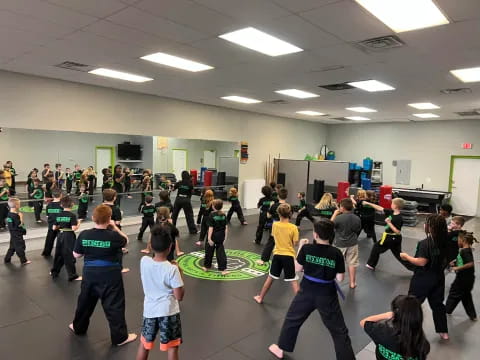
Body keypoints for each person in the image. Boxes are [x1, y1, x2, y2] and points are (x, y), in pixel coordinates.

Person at [268, 220, 355, 360]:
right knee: (339, 330)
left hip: (306, 291)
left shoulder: (307, 249)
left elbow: (297, 269)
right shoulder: (336, 253)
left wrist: (301, 246)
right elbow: (339, 278)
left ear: (315, 234)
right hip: (327, 294)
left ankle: (280, 348)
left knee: (292, 320)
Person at [70, 204, 137, 346]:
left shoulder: (84, 234)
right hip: (110, 275)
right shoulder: (113, 236)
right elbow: (126, 240)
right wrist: (114, 226)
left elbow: (76, 255)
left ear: (93, 218)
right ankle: (120, 338)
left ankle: (78, 327)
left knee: (85, 301)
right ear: (109, 219)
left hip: (90, 274)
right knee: (114, 305)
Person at [136, 225, 184, 360]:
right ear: (170, 247)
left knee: (144, 344)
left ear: (150, 246)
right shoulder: (172, 269)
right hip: (168, 313)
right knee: (173, 347)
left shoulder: (144, 261)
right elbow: (179, 296)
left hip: (150, 311)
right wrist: (179, 273)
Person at [400, 214, 449, 340]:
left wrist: (406, 257)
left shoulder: (425, 243)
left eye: (427, 223)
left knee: (413, 304)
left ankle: (407, 330)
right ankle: (443, 331)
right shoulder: (446, 240)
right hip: (438, 277)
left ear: (430, 228)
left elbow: (421, 262)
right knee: (438, 304)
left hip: (422, 278)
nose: (424, 224)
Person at [360, 295, 430, 360]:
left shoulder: (382, 332)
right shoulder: (422, 344)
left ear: (395, 314)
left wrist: (386, 315)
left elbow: (363, 322)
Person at [254, 203, 299, 304]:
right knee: (293, 280)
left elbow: (274, 237)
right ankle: (301, 303)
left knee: (270, 278)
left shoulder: (275, 225)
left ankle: (260, 297)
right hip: (289, 256)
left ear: (278, 214)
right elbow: (295, 243)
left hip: (277, 255)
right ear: (290, 214)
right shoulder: (294, 228)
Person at [364, 198, 411, 271]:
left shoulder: (399, 218)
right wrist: (368, 203)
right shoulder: (391, 212)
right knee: (399, 255)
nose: (391, 204)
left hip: (391, 237)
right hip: (394, 238)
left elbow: (397, 231)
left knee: (376, 247)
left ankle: (371, 264)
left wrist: (389, 223)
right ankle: (414, 268)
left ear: (395, 206)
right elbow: (380, 208)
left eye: (392, 203)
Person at [446, 231, 478, 321]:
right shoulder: (464, 251)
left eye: (458, 240)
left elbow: (470, 263)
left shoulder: (466, 251)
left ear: (463, 240)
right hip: (468, 279)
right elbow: (463, 260)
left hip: (463, 279)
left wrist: (458, 268)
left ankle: (447, 309)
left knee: (454, 292)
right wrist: (454, 262)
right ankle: (473, 315)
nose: (457, 242)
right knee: (466, 296)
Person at [331, 198, 361, 289]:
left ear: (342, 208)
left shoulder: (338, 218)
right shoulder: (357, 218)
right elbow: (357, 230)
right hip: (352, 243)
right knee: (352, 263)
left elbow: (328, 226)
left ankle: (331, 281)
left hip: (339, 244)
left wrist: (335, 214)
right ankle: (352, 283)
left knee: (334, 263)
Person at [50, 196, 81, 281]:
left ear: (61, 205)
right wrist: (79, 223)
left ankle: (54, 271)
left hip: (60, 235)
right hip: (68, 236)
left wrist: (61, 226)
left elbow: (53, 228)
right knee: (69, 255)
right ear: (72, 205)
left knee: (59, 254)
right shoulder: (72, 215)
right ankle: (72, 275)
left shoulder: (59, 215)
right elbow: (74, 228)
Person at [257, 187, 288, 265]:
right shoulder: (288, 206)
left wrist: (270, 206)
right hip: (285, 227)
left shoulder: (274, 206)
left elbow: (268, 216)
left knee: (271, 242)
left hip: (275, 226)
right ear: (286, 196)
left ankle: (263, 260)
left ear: (278, 196)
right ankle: (286, 261)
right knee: (284, 243)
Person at [103, 189, 129, 273]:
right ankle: (120, 268)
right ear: (114, 198)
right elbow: (117, 222)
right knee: (118, 250)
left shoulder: (101, 207)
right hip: (114, 231)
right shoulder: (116, 209)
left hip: (103, 229)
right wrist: (120, 214)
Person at [202, 199, 229, 275]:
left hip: (213, 236)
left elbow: (211, 228)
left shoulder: (211, 215)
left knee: (209, 251)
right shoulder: (223, 215)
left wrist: (209, 238)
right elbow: (226, 227)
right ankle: (223, 269)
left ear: (213, 207)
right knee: (221, 252)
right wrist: (225, 238)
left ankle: (206, 267)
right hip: (221, 236)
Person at [4, 198, 30, 265]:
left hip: (12, 233)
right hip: (17, 234)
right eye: (19, 204)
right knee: (20, 247)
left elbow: (11, 224)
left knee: (12, 247)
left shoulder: (9, 214)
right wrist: (21, 217)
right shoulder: (16, 216)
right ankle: (23, 260)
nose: (20, 205)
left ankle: (7, 259)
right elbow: (19, 225)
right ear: (16, 205)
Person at [42, 189, 63, 257]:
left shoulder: (49, 205)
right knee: (61, 241)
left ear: (52, 196)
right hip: (60, 226)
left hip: (51, 225)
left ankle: (46, 253)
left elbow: (48, 216)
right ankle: (60, 254)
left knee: (49, 239)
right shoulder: (62, 205)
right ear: (61, 195)